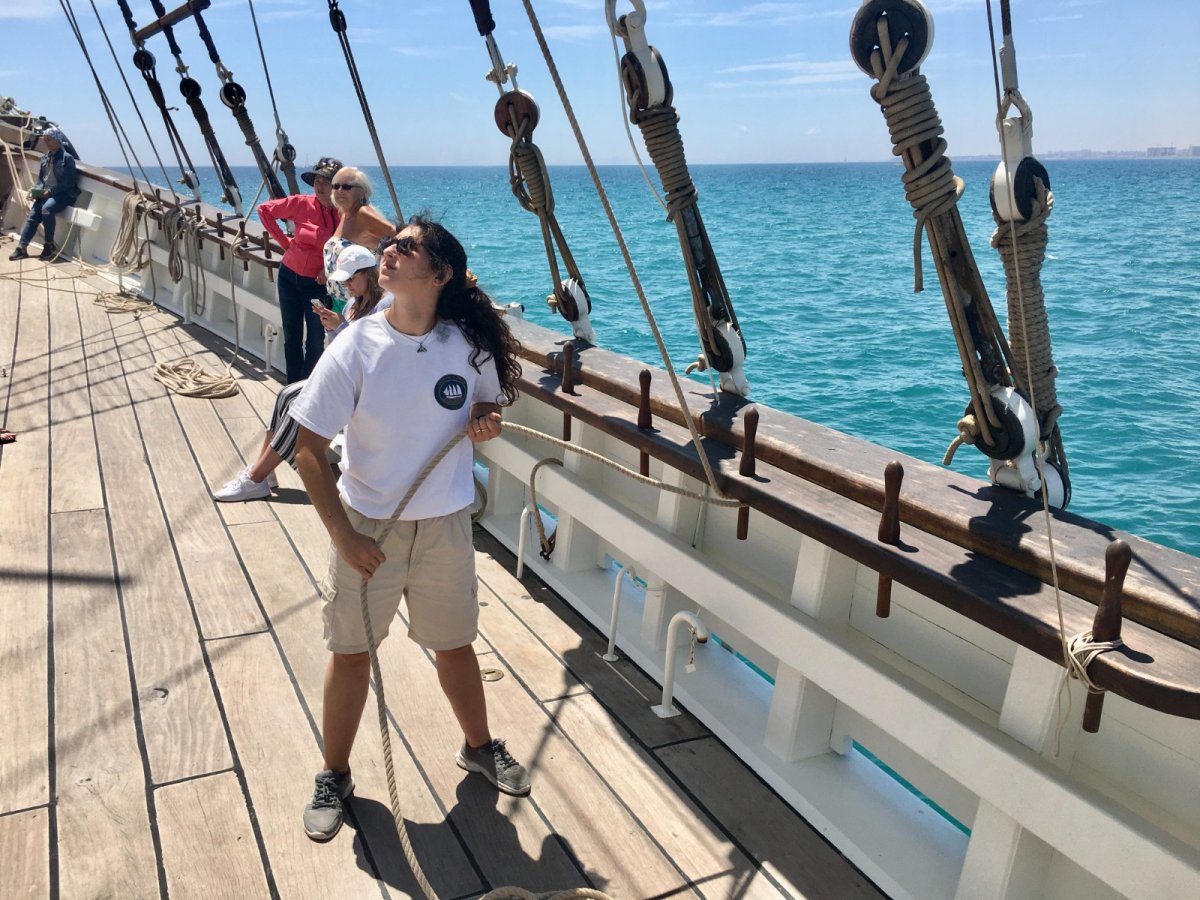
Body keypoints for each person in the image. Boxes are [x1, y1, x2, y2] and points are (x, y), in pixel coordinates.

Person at [289, 215, 526, 842]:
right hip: (370, 527)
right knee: (352, 654)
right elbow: (308, 450)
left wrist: (486, 420)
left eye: (407, 247)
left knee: (454, 645)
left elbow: (487, 402)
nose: (388, 251)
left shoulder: (467, 345)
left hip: (445, 526)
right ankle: (334, 773)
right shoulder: (356, 347)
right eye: (391, 244)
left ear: (440, 274)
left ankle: (478, 746)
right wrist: (345, 538)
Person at [212, 244, 393, 502]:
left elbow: (369, 353)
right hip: (344, 378)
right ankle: (263, 472)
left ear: (369, 274)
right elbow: (341, 348)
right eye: (345, 280)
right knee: (286, 394)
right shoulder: (353, 304)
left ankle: (256, 479)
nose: (348, 286)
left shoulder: (384, 307)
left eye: (352, 278)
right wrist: (333, 327)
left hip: (365, 385)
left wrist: (340, 327)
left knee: (300, 405)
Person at [257, 157, 342, 383]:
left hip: (317, 285)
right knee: (292, 337)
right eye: (317, 180)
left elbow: (349, 246)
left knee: (315, 340)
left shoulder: (345, 215)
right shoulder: (301, 203)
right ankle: (292, 386)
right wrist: (285, 243)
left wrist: (329, 269)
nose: (320, 186)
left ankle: (308, 387)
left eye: (326, 181)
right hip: (288, 277)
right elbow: (264, 210)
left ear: (337, 186)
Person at [322, 166, 394, 316]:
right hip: (338, 301)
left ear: (362, 191)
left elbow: (399, 236)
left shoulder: (363, 214)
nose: (340, 190)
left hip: (360, 304)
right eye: (336, 186)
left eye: (347, 186)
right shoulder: (344, 213)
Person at [9, 127, 79, 262]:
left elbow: (68, 183)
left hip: (63, 194)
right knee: (33, 216)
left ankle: (49, 245)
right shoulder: (45, 157)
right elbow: (41, 179)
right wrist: (37, 191)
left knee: (46, 209)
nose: (46, 142)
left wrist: (50, 192)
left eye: (49, 139)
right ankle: (21, 248)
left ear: (57, 141)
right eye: (45, 139)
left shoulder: (67, 159)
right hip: (46, 193)